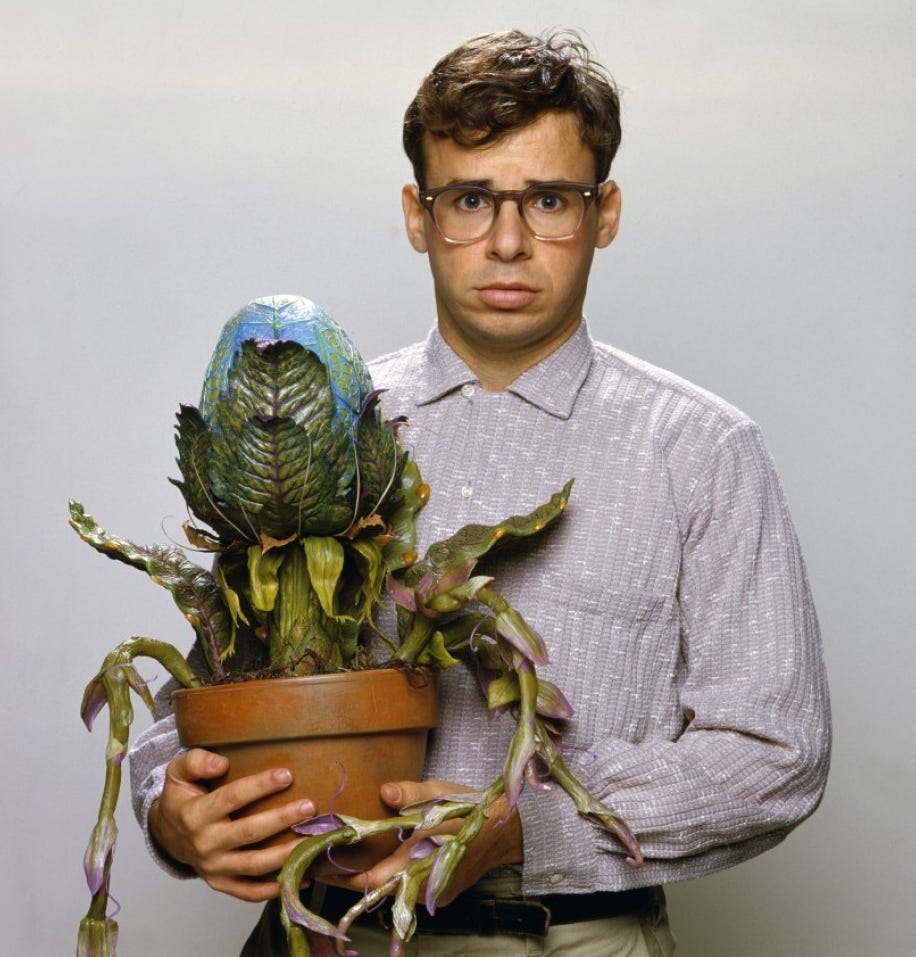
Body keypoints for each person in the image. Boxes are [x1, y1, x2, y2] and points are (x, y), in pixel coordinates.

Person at [130, 29, 831, 956]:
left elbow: (776, 752)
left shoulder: (700, 449)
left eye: (548, 200)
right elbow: (208, 693)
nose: (507, 242)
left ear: (605, 212)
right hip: (323, 937)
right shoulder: (321, 422)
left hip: (566, 938)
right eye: (469, 199)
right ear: (418, 217)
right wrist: (170, 810)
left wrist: (529, 829)